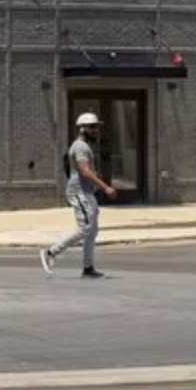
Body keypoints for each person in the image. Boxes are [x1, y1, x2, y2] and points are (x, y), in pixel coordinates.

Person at [40, 110, 116, 278]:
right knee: (85, 229)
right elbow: (85, 171)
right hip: (79, 193)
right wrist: (106, 187)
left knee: (92, 231)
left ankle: (88, 268)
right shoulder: (80, 146)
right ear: (82, 129)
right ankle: (50, 252)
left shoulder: (84, 146)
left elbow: (87, 171)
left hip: (87, 193)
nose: (95, 130)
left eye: (97, 127)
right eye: (92, 127)